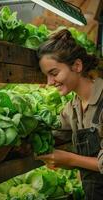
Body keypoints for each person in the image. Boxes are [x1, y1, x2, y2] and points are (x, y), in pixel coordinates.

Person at [36, 28, 103, 200]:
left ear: (77, 66)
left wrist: (69, 160)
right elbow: (54, 131)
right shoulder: (72, 107)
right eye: (46, 76)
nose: (49, 82)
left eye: (54, 73)